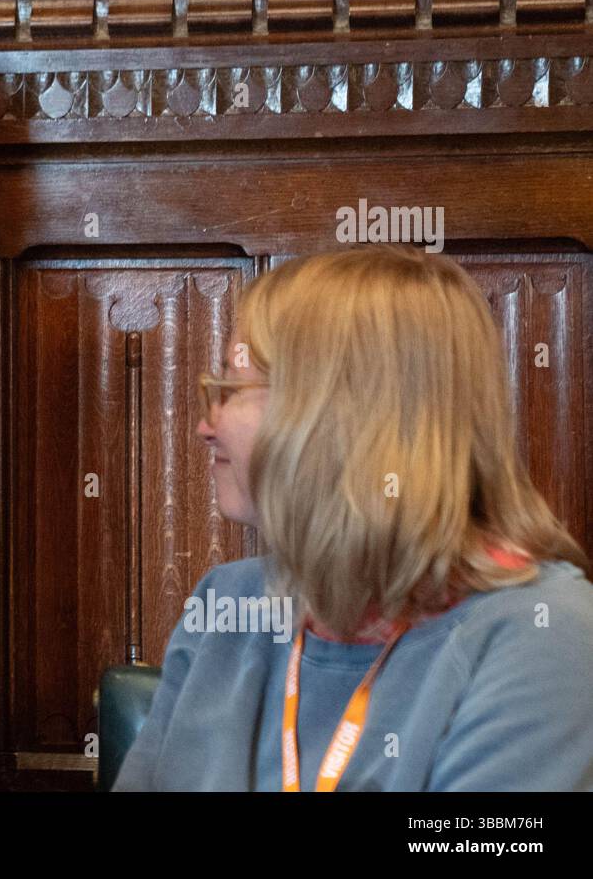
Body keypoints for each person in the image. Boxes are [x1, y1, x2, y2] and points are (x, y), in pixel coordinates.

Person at [113, 244, 593, 791]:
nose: (205, 426)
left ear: (334, 412)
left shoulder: (543, 630)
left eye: (231, 389)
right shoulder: (228, 604)